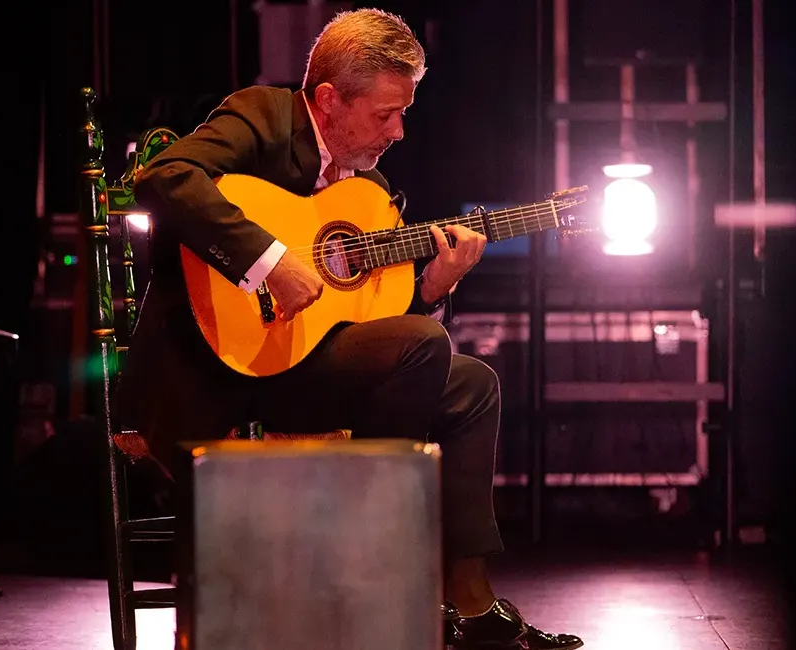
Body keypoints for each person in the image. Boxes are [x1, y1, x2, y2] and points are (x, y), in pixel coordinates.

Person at [121, 8, 583, 649]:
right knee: (425, 349)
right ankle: (372, 568)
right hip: (219, 368)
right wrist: (271, 261)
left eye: (404, 113)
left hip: (309, 368)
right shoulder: (265, 116)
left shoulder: (370, 194)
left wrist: (432, 287)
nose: (398, 131)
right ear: (330, 99)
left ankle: (472, 604)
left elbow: (379, 328)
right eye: (385, 113)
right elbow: (166, 176)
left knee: (472, 381)